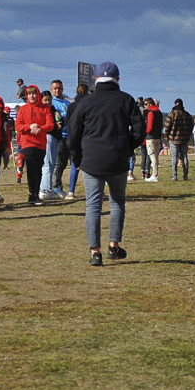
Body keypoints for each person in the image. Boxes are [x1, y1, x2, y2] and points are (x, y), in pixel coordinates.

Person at [67, 61, 144, 266]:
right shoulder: (126, 100)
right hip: (118, 159)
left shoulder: (85, 102)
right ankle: (114, 246)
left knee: (93, 204)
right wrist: (128, 147)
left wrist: (77, 159)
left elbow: (73, 133)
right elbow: (139, 129)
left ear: (96, 79)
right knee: (117, 202)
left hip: (91, 160)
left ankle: (95, 252)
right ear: (117, 79)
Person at [14, 84, 54, 205]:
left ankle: (36, 194)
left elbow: (50, 125)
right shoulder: (23, 109)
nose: (32, 96)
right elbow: (18, 126)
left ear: (38, 94)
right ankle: (32, 195)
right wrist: (29, 127)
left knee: (38, 168)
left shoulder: (45, 109)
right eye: (29, 94)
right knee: (31, 167)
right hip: (27, 142)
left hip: (41, 143)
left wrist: (40, 128)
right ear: (26, 95)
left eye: (34, 93)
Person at [48, 79, 72, 195]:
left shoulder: (67, 103)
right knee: (58, 163)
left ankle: (59, 185)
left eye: (59, 88)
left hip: (69, 136)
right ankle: (55, 186)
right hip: (59, 136)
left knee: (64, 164)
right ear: (51, 89)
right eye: (55, 88)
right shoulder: (51, 103)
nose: (57, 90)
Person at [163, 99, 193, 181]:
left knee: (174, 157)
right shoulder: (187, 114)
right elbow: (191, 127)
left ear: (175, 104)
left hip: (173, 139)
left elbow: (167, 127)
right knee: (184, 157)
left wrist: (167, 136)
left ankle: (174, 175)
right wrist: (188, 135)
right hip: (184, 139)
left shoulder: (172, 114)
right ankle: (185, 175)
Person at [143, 97, 163, 182]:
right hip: (158, 136)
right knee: (156, 155)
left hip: (150, 137)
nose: (145, 106)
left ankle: (155, 175)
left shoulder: (151, 113)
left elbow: (150, 126)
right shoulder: (159, 112)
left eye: (146, 104)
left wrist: (145, 132)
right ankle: (155, 174)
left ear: (150, 104)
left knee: (152, 155)